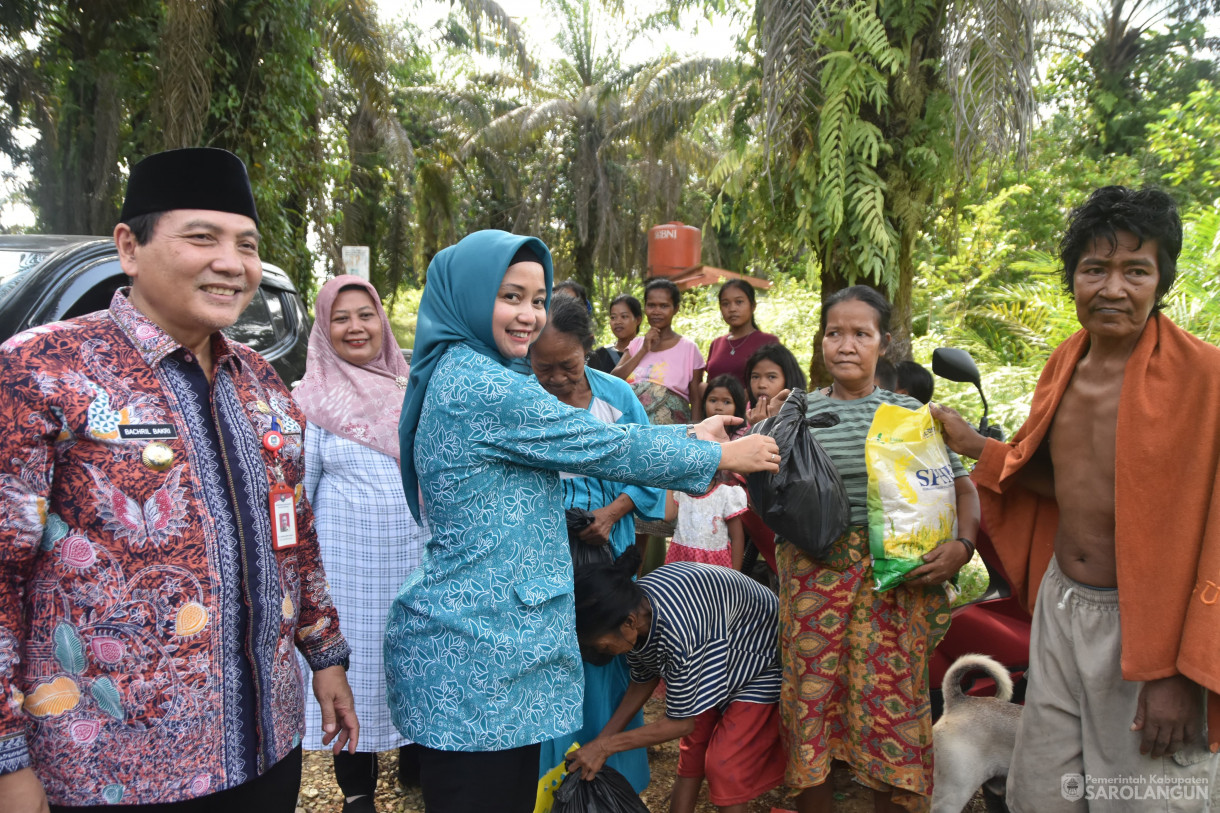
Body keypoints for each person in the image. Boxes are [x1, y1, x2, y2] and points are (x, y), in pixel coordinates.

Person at [0, 148, 357, 812]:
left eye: (247, 245)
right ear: (130, 247)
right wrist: (6, 763)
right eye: (203, 237)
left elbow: (295, 530)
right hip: (110, 769)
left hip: (266, 748)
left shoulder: (261, 382)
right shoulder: (43, 370)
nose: (232, 262)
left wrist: (325, 652)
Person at [384, 229, 781, 813]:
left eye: (537, 299)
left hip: (487, 650)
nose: (528, 315)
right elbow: (593, 444)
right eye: (510, 297)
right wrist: (717, 455)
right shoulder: (479, 384)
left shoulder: (472, 371)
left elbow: (600, 436)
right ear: (466, 295)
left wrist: (691, 434)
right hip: (479, 657)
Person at [933, 186, 1220, 812]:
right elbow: (1063, 481)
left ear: (1161, 281)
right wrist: (976, 446)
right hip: (1063, 608)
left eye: (1135, 271)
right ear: (1074, 281)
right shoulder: (1066, 360)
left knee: (1142, 797)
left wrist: (1178, 673)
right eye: (1095, 269)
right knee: (1044, 792)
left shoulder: (1208, 377)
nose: (1112, 288)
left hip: (1151, 629)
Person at [768, 285, 979, 813]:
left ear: (882, 343)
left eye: (861, 334)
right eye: (834, 333)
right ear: (820, 342)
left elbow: (963, 487)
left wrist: (963, 546)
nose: (846, 345)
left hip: (893, 584)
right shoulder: (796, 416)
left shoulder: (910, 415)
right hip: (814, 578)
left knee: (891, 705)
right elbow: (767, 492)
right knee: (810, 701)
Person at [293, 276, 427, 813]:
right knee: (357, 675)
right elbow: (299, 494)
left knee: (418, 664)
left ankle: (418, 771)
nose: (355, 327)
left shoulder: (411, 387)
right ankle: (358, 793)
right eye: (340, 317)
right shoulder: (310, 401)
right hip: (348, 576)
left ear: (382, 322)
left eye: (365, 314)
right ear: (324, 329)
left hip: (417, 566)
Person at [528, 295, 663, 793]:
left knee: (609, 648)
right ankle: (554, 779)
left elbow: (648, 464)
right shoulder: (525, 399)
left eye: (568, 365)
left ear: (589, 349)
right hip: (546, 551)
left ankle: (613, 775)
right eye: (544, 368)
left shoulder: (618, 397)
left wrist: (612, 512)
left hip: (611, 546)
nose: (558, 378)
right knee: (556, 655)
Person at [567, 549, 787, 813]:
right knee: (692, 753)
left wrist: (605, 746)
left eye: (602, 647)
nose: (602, 654)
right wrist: (600, 741)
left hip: (762, 656)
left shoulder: (679, 634)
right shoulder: (634, 609)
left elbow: (680, 724)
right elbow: (643, 679)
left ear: (629, 623)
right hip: (716, 651)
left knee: (726, 766)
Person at [612, 278, 705, 423]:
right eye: (651, 305)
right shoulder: (636, 344)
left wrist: (695, 432)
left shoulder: (689, 349)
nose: (656, 311)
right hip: (633, 426)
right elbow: (613, 380)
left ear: (675, 309)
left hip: (673, 430)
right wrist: (643, 349)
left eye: (664, 306)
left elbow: (696, 400)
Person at [662, 472, 748, 570]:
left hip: (713, 567)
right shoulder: (681, 491)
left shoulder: (725, 494)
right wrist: (667, 481)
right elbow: (668, 516)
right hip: (681, 562)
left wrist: (734, 576)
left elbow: (737, 538)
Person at [704, 279, 779, 389]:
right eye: (725, 304)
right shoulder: (716, 344)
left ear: (753, 306)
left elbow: (775, 384)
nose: (732, 309)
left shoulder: (768, 342)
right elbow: (709, 385)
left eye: (739, 302)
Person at [743, 342, 806, 425]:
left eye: (771, 377)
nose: (761, 385)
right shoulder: (747, 411)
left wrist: (762, 425)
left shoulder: (801, 415)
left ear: (788, 379)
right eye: (755, 377)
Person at [587, 294, 642, 375]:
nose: (617, 322)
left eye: (624, 316)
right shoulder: (600, 354)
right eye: (613, 317)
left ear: (638, 320)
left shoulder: (647, 351)